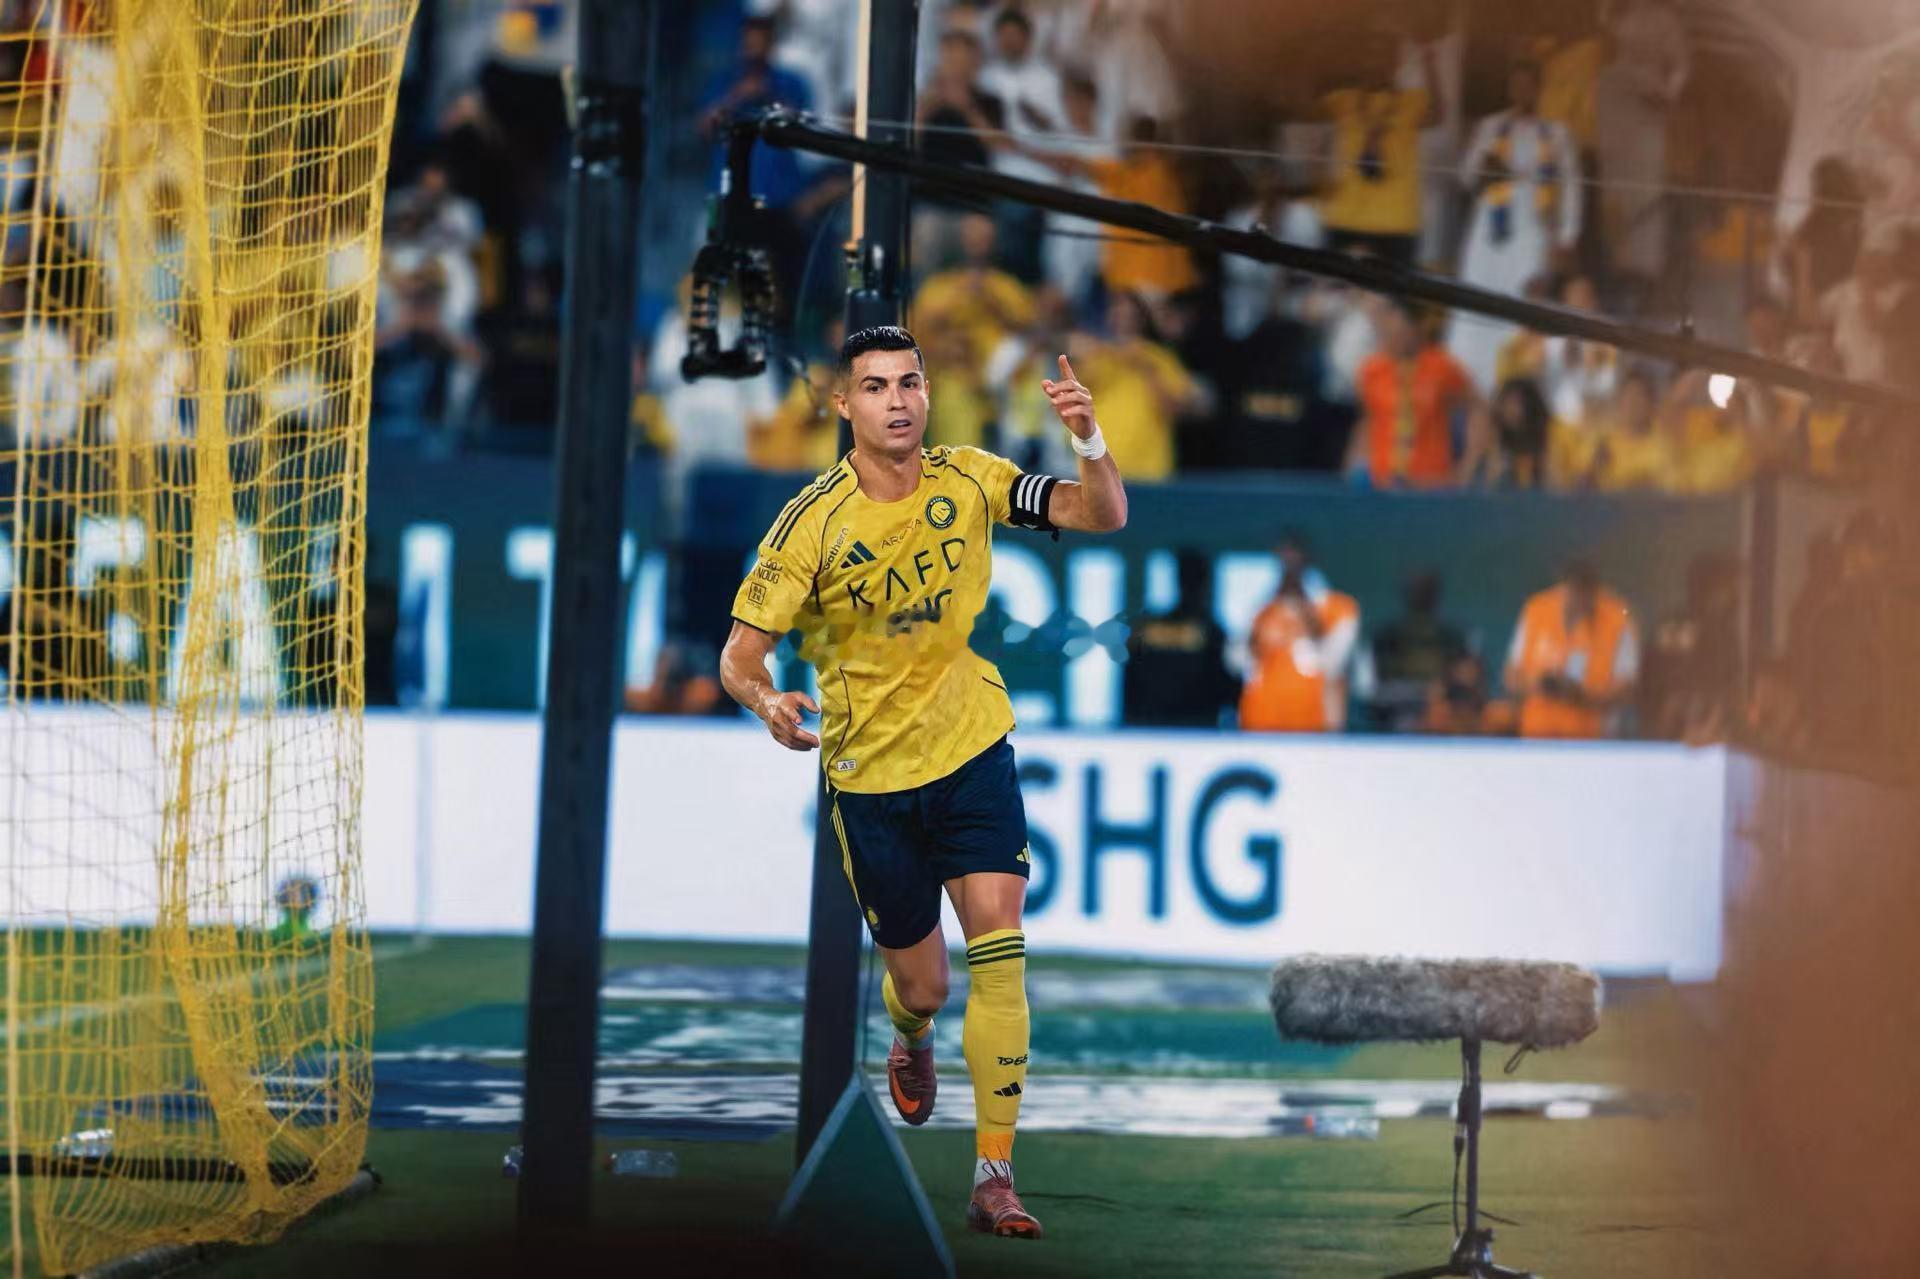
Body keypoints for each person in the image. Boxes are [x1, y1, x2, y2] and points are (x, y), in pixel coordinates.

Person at [720, 326, 1128, 1239]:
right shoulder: (810, 523)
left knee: (1001, 951)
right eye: (875, 387)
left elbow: (1100, 514)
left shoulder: (971, 478)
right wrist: (768, 701)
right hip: (871, 781)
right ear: (843, 405)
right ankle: (910, 1033)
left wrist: (1089, 438)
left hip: (973, 747)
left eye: (909, 382)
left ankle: (994, 1176)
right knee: (928, 986)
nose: (897, 401)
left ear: (929, 392)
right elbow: (739, 656)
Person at [1450, 58, 1582, 393]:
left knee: (1520, 300)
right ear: (1510, 89)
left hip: (1534, 228)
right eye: (1517, 85)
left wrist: (1567, 236)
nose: (1523, 92)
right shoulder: (1491, 127)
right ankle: (1470, 381)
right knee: (1478, 297)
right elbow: (1465, 178)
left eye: (1529, 85)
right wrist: (1485, 166)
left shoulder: (1556, 132)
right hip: (1490, 229)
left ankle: (1512, 385)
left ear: (1538, 89)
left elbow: (1572, 186)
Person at [1312, 24, 1440, 267]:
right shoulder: (1343, 100)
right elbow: (1304, 106)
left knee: (1392, 293)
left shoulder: (1411, 100)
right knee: (1334, 289)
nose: (1377, 62)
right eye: (1371, 55)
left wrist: (1429, 59)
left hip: (1397, 221)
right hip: (1344, 218)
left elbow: (1438, 115)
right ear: (1361, 61)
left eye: (1385, 55)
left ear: (1396, 62)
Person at [1065, 290, 1202, 481]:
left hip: (1149, 467)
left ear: (1142, 319)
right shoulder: (1094, 357)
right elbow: (1067, 404)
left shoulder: (1160, 358)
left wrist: (1148, 369)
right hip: (1099, 466)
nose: (1123, 319)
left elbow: (1175, 410)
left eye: (1130, 314)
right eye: (1117, 312)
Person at [1348, 300, 1484, 490]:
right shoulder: (1371, 370)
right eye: (1388, 330)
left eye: (1402, 330)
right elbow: (1367, 422)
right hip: (1381, 481)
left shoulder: (1443, 366)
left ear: (1417, 328)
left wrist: (1468, 466)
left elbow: (1478, 409)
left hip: (1431, 482)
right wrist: (1353, 467)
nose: (1393, 337)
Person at [1239, 534, 1360, 733]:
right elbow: (1239, 660)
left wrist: (1305, 618)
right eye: (1284, 558)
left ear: (1309, 560)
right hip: (1260, 724)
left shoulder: (1338, 608)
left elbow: (1334, 663)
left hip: (1315, 726)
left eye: (1296, 557)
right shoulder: (1262, 611)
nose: (1290, 565)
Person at [1504, 560, 1639, 739]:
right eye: (1574, 591)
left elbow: (1627, 689)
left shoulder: (1617, 620)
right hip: (1536, 735)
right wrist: (1540, 686)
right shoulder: (1537, 610)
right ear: (1563, 588)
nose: (1579, 601)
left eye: (1585, 592)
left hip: (1591, 739)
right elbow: (1511, 677)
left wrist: (1581, 696)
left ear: (1595, 591)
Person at [1123, 550, 1239, 728]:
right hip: (1194, 729)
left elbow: (1131, 687)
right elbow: (1228, 690)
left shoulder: (1146, 629)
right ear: (1206, 583)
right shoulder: (1211, 632)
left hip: (1152, 728)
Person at [1368, 570, 1468, 731]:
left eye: (1426, 591)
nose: (1421, 596)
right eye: (1416, 590)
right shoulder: (1389, 636)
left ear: (1435, 596)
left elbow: (1463, 677)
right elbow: (1380, 683)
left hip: (1444, 712)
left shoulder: (1450, 637)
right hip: (1399, 711)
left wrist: (1442, 691)